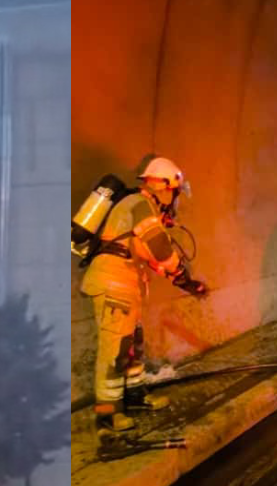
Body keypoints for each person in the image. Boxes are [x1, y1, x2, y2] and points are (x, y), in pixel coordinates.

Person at [80, 156, 208, 443]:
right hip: (113, 286)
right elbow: (160, 249)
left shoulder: (141, 208)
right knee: (114, 351)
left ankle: (135, 395)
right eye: (174, 192)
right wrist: (182, 273)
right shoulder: (140, 206)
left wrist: (184, 282)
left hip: (125, 286)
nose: (174, 199)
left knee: (132, 347)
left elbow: (151, 257)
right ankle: (107, 413)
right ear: (163, 187)